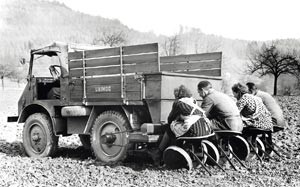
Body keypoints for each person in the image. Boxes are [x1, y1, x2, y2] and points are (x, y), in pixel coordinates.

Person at [150, 85, 212, 165]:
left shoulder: (179, 103)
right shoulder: (194, 101)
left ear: (178, 95)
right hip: (204, 129)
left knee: (170, 129)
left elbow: (170, 119)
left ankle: (159, 152)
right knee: (177, 128)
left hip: (194, 130)